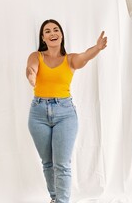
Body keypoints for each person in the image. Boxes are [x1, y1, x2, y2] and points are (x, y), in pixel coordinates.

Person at [26, 19, 107, 203]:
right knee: (48, 163)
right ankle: (55, 199)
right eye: (47, 31)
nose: (52, 33)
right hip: (38, 114)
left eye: (56, 30)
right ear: (43, 37)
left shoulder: (70, 59)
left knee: (61, 165)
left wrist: (97, 48)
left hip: (65, 114)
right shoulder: (36, 56)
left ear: (61, 35)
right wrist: (31, 76)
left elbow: (84, 56)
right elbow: (31, 69)